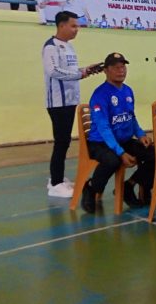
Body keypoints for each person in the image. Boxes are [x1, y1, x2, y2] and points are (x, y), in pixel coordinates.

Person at [82, 52, 155, 213]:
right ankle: (91, 188)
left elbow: (131, 117)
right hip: (100, 142)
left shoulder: (128, 91)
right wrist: (121, 152)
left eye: (123, 67)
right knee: (113, 161)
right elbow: (104, 128)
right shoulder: (100, 95)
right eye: (116, 67)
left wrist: (141, 134)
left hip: (124, 140)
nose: (121, 71)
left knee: (154, 154)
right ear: (106, 71)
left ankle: (129, 185)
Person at [42, 11, 100, 198]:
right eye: (73, 26)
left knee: (65, 141)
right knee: (61, 141)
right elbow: (53, 71)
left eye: (78, 26)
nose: (77, 29)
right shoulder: (51, 47)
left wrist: (86, 70)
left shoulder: (69, 47)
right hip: (58, 102)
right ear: (61, 25)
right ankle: (55, 183)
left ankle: (57, 177)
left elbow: (72, 71)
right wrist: (79, 74)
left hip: (70, 100)